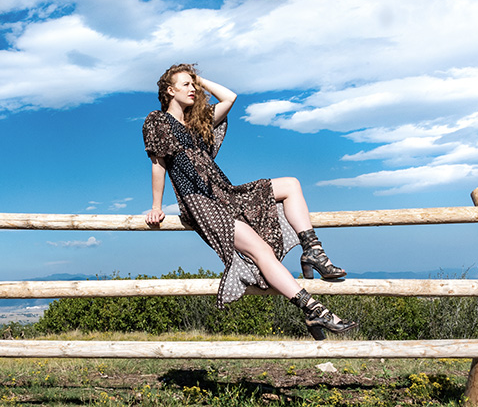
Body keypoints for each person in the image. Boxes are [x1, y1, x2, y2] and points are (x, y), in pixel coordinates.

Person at [143, 63, 355, 340]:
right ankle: (314, 310)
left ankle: (313, 252)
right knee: (261, 251)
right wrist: (157, 206)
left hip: (224, 192)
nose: (193, 88)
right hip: (200, 202)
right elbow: (158, 164)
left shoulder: (197, 124)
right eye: (186, 84)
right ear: (170, 91)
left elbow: (229, 98)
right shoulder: (157, 121)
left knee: (291, 185)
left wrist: (198, 78)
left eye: (194, 84)